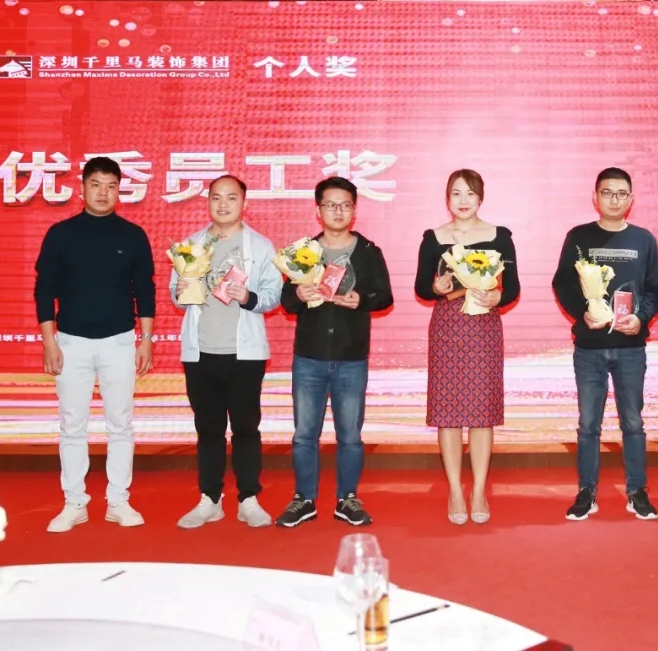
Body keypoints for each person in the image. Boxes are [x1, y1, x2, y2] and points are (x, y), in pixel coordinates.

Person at [33, 156, 155, 533]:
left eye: (111, 186)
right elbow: (44, 291)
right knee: (72, 425)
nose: (103, 193)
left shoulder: (133, 236)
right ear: (82, 188)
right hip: (71, 342)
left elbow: (145, 291)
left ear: (120, 190)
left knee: (121, 424)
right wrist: (49, 342)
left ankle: (118, 500)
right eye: (96, 185)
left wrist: (145, 340)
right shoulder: (60, 234)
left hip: (120, 342)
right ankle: (75, 502)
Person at [275, 177, 393, 528]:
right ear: (318, 210)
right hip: (309, 357)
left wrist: (362, 300)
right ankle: (304, 499)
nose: (338, 211)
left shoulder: (369, 252)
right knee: (304, 435)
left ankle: (347, 499)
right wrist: (299, 293)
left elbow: (385, 297)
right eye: (330, 205)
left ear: (354, 210)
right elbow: (287, 302)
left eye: (345, 205)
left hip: (351, 358)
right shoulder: (304, 252)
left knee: (350, 436)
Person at [170, 175, 283, 529]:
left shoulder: (260, 246)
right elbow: (176, 294)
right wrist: (182, 289)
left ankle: (248, 498)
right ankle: (210, 499)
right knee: (208, 429)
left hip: (244, 354)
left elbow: (273, 295)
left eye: (231, 198)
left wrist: (248, 297)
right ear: (207, 202)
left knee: (246, 428)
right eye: (216, 197)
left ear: (244, 203)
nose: (223, 204)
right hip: (201, 352)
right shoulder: (191, 244)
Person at [551, 167, 658, 521]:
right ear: (595, 197)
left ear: (631, 199)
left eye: (621, 193)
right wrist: (582, 313)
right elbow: (562, 284)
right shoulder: (579, 236)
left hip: (630, 348)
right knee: (588, 424)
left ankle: (637, 491)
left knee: (633, 422)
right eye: (607, 192)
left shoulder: (644, 239)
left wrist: (641, 318)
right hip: (590, 348)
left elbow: (655, 289)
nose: (614, 199)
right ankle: (587, 492)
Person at [414, 169, 520, 525]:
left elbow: (513, 287)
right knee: (447, 411)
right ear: (447, 198)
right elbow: (421, 287)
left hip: (484, 326)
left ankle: (478, 492)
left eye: (470, 194)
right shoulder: (433, 238)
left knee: (481, 411)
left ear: (480, 198)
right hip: (447, 327)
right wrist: (436, 288)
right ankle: (455, 492)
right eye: (456, 193)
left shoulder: (499, 236)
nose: (463, 201)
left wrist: (497, 297)